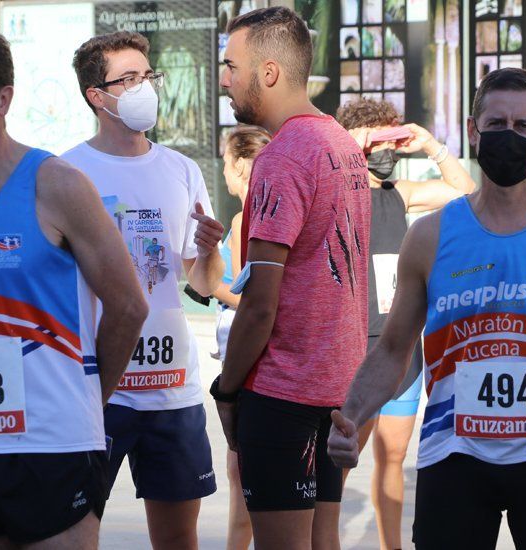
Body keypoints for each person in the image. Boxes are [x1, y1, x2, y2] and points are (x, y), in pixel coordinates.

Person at [329, 68, 526, 550]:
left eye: (522, 127)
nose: (507, 136)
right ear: (473, 130)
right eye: (495, 125)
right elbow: (392, 350)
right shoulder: (429, 236)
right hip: (455, 459)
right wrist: (351, 414)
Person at [0, 24, 148, 547]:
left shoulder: (57, 185)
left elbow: (129, 306)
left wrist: (88, 398)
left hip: (54, 446)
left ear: (2, 100)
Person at [212, 7, 371, 550]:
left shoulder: (281, 158)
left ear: (271, 71)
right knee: (323, 541)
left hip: (284, 393)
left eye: (232, 65)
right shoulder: (343, 145)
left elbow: (259, 305)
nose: (224, 79)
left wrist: (227, 389)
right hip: (336, 390)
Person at [62, 31, 225, 550]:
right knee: (72, 532)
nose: (145, 88)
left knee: (179, 537)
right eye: (128, 79)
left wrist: (208, 248)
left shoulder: (181, 170)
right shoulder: (66, 173)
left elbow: (200, 283)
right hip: (96, 389)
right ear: (97, 95)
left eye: (147, 76)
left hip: (172, 388)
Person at [334, 98, 476, 550]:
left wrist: (431, 146)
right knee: (341, 458)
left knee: (393, 454)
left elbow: (466, 191)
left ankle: (390, 545)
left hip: (404, 346)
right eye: (380, 141)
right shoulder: (340, 190)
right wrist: (348, 151)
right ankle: (321, 538)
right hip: (355, 345)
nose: (388, 151)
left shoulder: (402, 191)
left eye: (395, 141)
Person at [211, 125, 272, 550]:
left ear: (239, 165)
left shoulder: (245, 216)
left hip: (250, 362)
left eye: (226, 163)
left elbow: (249, 297)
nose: (225, 174)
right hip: (259, 357)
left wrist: (206, 272)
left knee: (243, 475)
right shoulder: (273, 209)